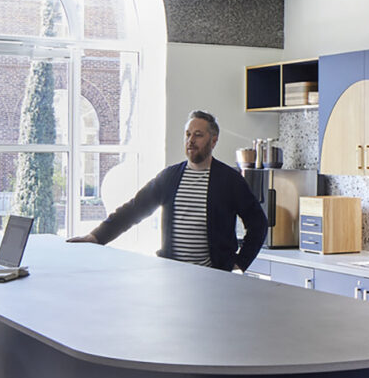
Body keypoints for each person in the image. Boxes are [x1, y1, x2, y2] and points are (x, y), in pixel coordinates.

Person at [68, 110, 267, 272]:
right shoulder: (170, 177)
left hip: (214, 279)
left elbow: (258, 224)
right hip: (172, 275)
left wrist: (240, 262)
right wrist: (96, 237)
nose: (191, 140)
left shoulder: (230, 180)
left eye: (198, 135)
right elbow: (134, 209)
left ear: (213, 141)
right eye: (188, 134)